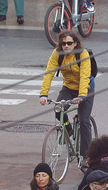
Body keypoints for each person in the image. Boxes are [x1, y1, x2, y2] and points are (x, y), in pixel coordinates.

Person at [39, 29, 94, 158]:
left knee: (84, 120)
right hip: (68, 87)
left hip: (86, 88)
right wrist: (43, 94)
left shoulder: (83, 54)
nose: (66, 46)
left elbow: (85, 76)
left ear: (75, 43)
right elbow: (49, 74)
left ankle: (86, 157)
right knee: (58, 109)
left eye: (69, 43)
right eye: (63, 44)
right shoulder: (58, 53)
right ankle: (68, 128)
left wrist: (81, 96)